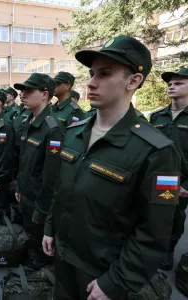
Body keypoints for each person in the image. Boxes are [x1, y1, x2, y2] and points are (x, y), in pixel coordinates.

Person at [42, 36, 181, 299]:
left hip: (103, 273)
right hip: (63, 257)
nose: (91, 82)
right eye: (92, 73)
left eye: (105, 73)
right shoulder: (73, 133)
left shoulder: (158, 151)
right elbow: (63, 191)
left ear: (133, 81)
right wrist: (50, 228)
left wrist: (116, 281)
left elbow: (156, 231)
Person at [13, 73, 65, 270]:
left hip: (39, 200)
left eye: (28, 91)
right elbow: (24, 161)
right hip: (27, 193)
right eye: (22, 91)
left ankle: (40, 270)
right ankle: (33, 259)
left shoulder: (53, 128)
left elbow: (51, 177)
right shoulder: (30, 121)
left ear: (44, 94)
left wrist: (42, 210)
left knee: (41, 239)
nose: (22, 95)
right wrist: (19, 185)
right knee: (31, 233)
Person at [149, 67, 188, 271]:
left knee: (175, 217)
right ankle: (149, 248)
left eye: (179, 83)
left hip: (181, 181)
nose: (172, 86)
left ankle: (168, 249)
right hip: (156, 176)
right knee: (152, 213)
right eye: (170, 83)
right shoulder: (157, 117)